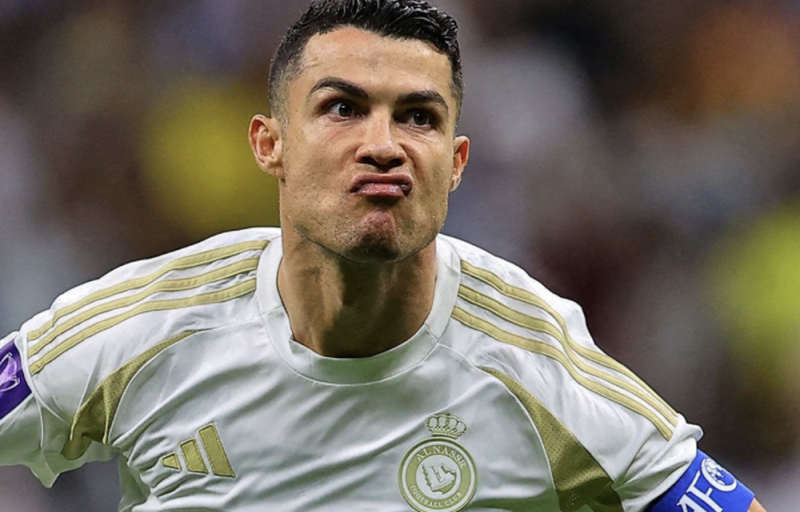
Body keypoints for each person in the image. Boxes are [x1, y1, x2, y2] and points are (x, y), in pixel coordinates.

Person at [0, 1, 768, 511]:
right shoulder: (152, 323)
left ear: (456, 164)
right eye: (342, 108)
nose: (383, 145)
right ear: (270, 145)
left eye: (419, 117)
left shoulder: (537, 364)